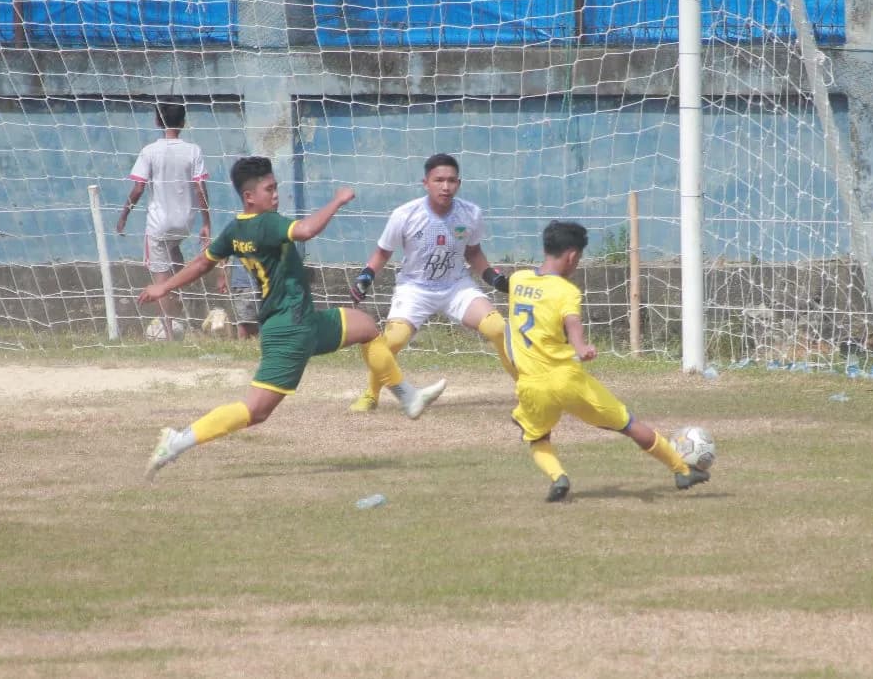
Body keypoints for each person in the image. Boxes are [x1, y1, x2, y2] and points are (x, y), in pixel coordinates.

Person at [139, 156, 446, 480]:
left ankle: (408, 396)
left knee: (366, 327)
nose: (276, 195)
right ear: (250, 197)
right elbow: (306, 230)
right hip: (290, 331)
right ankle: (177, 441)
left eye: (276, 188)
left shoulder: (235, 228)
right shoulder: (268, 223)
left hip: (301, 321)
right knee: (255, 411)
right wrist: (337, 201)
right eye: (269, 189)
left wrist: (164, 287)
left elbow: (202, 263)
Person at [506, 220, 710, 502]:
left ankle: (559, 477)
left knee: (537, 437)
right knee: (627, 424)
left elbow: (498, 280)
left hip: (531, 384)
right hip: (568, 380)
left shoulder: (518, 280)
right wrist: (581, 347)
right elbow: (572, 322)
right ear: (572, 256)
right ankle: (680, 469)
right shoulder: (567, 292)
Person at [347, 153, 517, 412]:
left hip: (456, 286)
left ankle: (527, 388)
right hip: (414, 288)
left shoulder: (470, 213)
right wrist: (366, 276)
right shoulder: (405, 214)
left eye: (451, 180)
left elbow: (473, 252)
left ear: (459, 183)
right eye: (439, 180)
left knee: (497, 328)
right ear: (425, 183)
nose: (445, 186)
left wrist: (494, 278)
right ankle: (371, 395)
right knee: (392, 342)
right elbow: (383, 252)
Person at [117, 102, 211, 341]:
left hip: (159, 225)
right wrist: (206, 222)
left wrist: (124, 214)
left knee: (161, 280)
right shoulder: (194, 150)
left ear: (157, 122)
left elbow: (138, 188)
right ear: (183, 122)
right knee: (175, 251)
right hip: (185, 223)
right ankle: (178, 298)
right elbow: (201, 188)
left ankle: (169, 333)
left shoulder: (150, 151)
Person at [218, 258, 262, 340]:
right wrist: (222, 277)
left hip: (260, 283)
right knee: (246, 323)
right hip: (246, 283)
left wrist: (222, 278)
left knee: (248, 323)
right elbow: (223, 254)